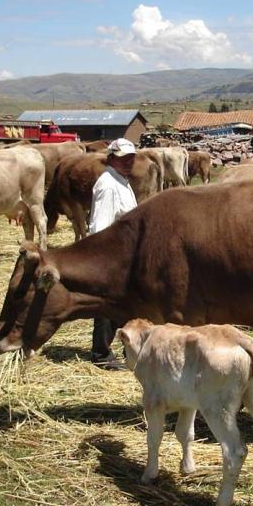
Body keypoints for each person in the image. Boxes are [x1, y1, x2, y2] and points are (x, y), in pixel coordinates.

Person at [87, 138, 138, 370]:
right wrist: (104, 261)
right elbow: (100, 226)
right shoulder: (108, 184)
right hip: (112, 256)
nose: (128, 162)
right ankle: (101, 353)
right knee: (107, 306)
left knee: (123, 306)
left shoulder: (120, 180)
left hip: (123, 255)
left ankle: (124, 349)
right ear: (111, 158)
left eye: (131, 157)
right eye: (123, 158)